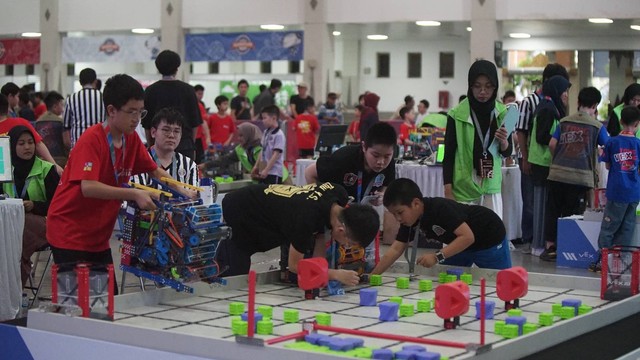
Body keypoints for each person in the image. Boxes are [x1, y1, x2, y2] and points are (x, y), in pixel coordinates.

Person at [46, 74, 195, 280]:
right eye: (131, 112)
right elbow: (88, 187)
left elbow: (154, 170)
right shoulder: (92, 140)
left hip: (98, 236)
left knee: (107, 300)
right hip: (69, 232)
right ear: (111, 110)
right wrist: (134, 193)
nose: (136, 119)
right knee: (78, 304)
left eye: (140, 112)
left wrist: (182, 189)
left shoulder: (131, 138)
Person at [218, 182, 380, 286]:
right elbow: (295, 266)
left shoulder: (338, 194)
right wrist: (335, 274)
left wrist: (324, 275)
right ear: (341, 230)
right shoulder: (305, 220)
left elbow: (320, 238)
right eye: (348, 243)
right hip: (240, 212)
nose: (345, 247)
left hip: (263, 204)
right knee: (233, 283)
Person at [371, 178, 512, 275]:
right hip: (460, 244)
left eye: (400, 212)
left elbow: (468, 237)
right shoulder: (409, 220)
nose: (398, 218)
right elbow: (395, 249)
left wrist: (437, 256)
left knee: (502, 280)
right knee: (450, 278)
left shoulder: (440, 208)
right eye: (394, 214)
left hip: (489, 237)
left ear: (416, 204)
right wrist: (373, 275)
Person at [543, 87, 609, 262]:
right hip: (580, 177)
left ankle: (549, 249)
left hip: (556, 174)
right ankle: (567, 249)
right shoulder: (597, 127)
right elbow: (608, 147)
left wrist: (558, 159)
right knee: (573, 214)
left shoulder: (564, 122)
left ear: (578, 102)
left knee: (553, 211)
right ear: (595, 105)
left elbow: (551, 144)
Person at [443, 60, 512, 218]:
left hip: (491, 185)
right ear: (470, 86)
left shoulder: (502, 113)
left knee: (491, 236)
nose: (483, 91)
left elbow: (507, 152)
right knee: (462, 238)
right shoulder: (456, 114)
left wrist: (504, 142)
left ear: (495, 87)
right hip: (463, 187)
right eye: (477, 86)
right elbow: (448, 155)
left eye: (488, 86)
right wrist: (448, 190)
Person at [514, 63, 569, 254]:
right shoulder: (530, 102)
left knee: (542, 202)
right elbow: (521, 131)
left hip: (544, 160)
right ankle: (530, 241)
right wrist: (525, 158)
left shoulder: (553, 103)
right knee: (530, 203)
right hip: (531, 159)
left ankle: (538, 241)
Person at [1, 126, 60, 286]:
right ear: (12, 146)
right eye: (21, 143)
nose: (27, 147)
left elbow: (59, 205)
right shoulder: (4, 170)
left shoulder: (47, 170)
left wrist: (34, 205)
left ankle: (13, 284)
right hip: (11, 223)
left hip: (44, 222)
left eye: (30, 142)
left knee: (19, 233)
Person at [591, 106, 640, 272]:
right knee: (627, 227)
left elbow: (607, 165)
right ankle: (623, 263)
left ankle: (603, 261)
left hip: (616, 191)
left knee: (609, 228)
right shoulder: (638, 144)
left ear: (620, 121)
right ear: (638, 124)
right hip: (634, 193)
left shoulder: (611, 142)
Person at [528, 75, 571, 260]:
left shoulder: (549, 106)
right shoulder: (547, 109)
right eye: (565, 91)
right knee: (542, 206)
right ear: (556, 91)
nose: (567, 95)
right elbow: (541, 136)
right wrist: (559, 141)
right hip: (543, 163)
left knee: (545, 206)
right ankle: (539, 245)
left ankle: (541, 243)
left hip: (545, 162)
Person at [143, 50, 202, 159]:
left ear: (158, 68)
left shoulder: (150, 91)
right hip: (184, 146)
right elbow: (195, 123)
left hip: (159, 147)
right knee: (184, 175)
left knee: (158, 176)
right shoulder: (188, 90)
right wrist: (189, 144)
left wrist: (152, 146)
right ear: (177, 69)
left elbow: (147, 125)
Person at [132, 108, 199, 188]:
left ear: (181, 135)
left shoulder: (189, 165)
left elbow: (193, 197)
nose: (171, 135)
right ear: (153, 132)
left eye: (176, 131)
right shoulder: (138, 162)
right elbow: (138, 195)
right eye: (166, 130)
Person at [0, 94, 62, 173]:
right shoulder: (20, 122)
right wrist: (54, 164)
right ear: (7, 108)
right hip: (24, 173)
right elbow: (39, 144)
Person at [198, 122, 263, 178]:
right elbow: (224, 160)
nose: (238, 138)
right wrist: (205, 165)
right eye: (238, 136)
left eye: (241, 136)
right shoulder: (240, 149)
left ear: (248, 135)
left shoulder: (260, 148)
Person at [63, 68, 105, 147]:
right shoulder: (104, 97)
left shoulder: (71, 98)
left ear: (80, 82)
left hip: (78, 143)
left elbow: (66, 126)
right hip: (99, 142)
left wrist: (70, 146)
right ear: (95, 81)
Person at [35, 91, 70, 167]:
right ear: (54, 106)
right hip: (60, 161)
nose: (63, 109)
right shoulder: (61, 122)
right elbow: (66, 142)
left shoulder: (38, 122)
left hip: (42, 161)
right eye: (61, 105)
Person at [253, 105, 285, 184]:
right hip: (263, 171)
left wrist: (267, 170)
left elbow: (276, 155)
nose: (263, 121)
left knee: (272, 195)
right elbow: (262, 150)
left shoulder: (279, 134)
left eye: (265, 118)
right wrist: (256, 166)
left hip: (274, 172)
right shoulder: (266, 132)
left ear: (274, 118)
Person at [193, 84, 211, 164]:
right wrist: (208, 137)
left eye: (202, 94)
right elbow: (204, 122)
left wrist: (207, 137)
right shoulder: (197, 106)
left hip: (197, 137)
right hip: (193, 138)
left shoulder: (200, 105)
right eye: (199, 94)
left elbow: (204, 122)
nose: (201, 96)